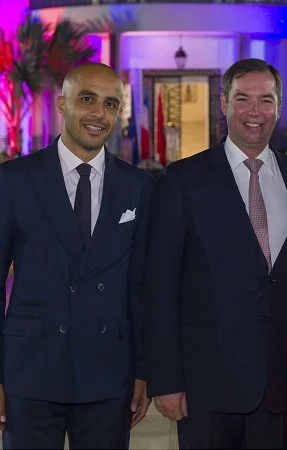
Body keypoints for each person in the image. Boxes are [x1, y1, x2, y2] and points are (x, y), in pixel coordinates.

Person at [143, 58, 287, 449]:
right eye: (242, 99)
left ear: (279, 106)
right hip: (206, 382)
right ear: (223, 103)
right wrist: (167, 380)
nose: (254, 112)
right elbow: (160, 286)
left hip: (279, 380)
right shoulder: (183, 180)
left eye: (265, 100)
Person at [0, 62, 153, 448]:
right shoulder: (14, 181)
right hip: (30, 371)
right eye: (87, 99)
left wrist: (143, 371)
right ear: (61, 103)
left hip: (108, 373)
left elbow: (143, 288)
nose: (99, 114)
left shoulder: (139, 186)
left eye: (110, 104)